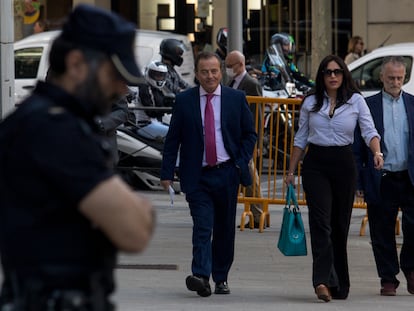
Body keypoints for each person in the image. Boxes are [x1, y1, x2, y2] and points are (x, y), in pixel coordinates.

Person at [0, 5, 155, 310]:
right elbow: (135, 232)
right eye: (114, 75)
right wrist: (139, 208)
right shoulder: (58, 132)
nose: (121, 87)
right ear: (76, 64)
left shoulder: (30, 120)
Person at [285, 54, 383, 302]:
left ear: (344, 75)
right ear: (321, 75)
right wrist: (290, 170)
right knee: (321, 223)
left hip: (343, 163)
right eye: (328, 72)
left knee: (339, 225)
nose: (332, 76)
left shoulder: (356, 101)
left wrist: (376, 152)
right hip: (316, 164)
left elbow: (369, 130)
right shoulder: (310, 102)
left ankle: (339, 283)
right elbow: (301, 137)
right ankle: (322, 281)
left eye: (337, 72)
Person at [160, 51, 257, 297]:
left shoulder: (236, 98)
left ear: (221, 72)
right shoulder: (184, 101)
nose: (210, 76)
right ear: (197, 74)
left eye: (214, 71)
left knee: (224, 229)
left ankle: (221, 277)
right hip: (197, 176)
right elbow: (173, 140)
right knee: (202, 226)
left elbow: (250, 134)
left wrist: (240, 162)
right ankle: (201, 276)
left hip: (227, 173)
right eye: (204, 72)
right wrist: (167, 173)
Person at [353, 56, 414, 296]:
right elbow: (358, 146)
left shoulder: (412, 104)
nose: (395, 82)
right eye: (391, 78)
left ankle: (410, 268)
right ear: (381, 77)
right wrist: (359, 181)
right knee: (381, 230)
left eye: (399, 78)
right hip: (382, 178)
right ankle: (388, 277)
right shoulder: (368, 106)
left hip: (409, 177)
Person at [225, 50, 263, 229]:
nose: (227, 69)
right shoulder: (231, 82)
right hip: (231, 137)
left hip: (245, 138)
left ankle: (257, 213)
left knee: (249, 173)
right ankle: (257, 212)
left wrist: (255, 140)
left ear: (240, 65)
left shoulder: (250, 84)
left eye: (229, 66)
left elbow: (257, 113)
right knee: (247, 173)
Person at [131, 60, 173, 141]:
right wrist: (167, 107)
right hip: (145, 125)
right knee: (177, 132)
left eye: (161, 75)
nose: (159, 78)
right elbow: (151, 112)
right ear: (149, 73)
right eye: (156, 75)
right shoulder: (145, 87)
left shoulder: (158, 89)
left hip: (157, 123)